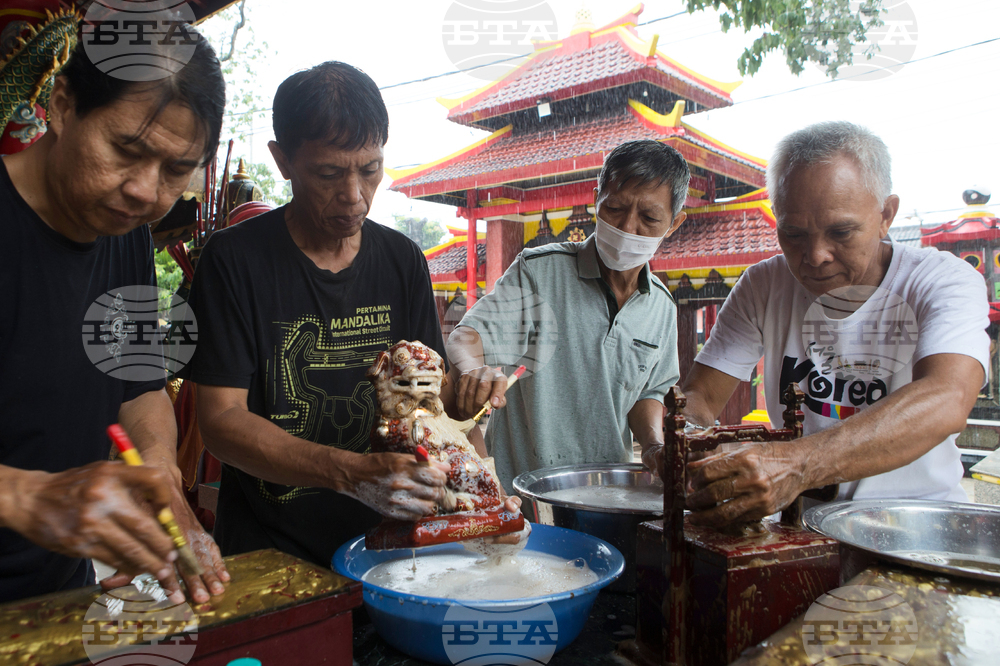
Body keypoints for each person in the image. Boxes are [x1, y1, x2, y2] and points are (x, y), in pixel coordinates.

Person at [184, 61, 513, 568]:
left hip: (393, 551)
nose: (354, 196)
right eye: (329, 173)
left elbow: (431, 406)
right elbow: (222, 421)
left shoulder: (402, 260)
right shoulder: (234, 261)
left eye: (370, 169)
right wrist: (351, 474)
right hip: (272, 552)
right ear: (283, 160)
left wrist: (484, 483)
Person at [0, 35, 228, 603]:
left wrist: (158, 470)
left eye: (176, 170)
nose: (145, 192)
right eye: (125, 150)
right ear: (62, 106)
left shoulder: (124, 234)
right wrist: (26, 496)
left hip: (55, 596)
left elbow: (138, 384)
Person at [677, 121, 989, 528]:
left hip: (918, 526)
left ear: (886, 215)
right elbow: (700, 396)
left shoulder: (942, 280)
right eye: (793, 234)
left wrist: (798, 464)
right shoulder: (763, 285)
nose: (816, 256)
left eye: (841, 232)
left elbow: (946, 397)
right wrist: (685, 438)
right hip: (800, 530)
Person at [447, 140, 689, 493]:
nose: (627, 227)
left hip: (609, 492)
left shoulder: (662, 307)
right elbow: (468, 335)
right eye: (615, 208)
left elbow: (646, 392)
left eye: (649, 218)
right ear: (597, 200)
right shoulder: (538, 272)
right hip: (521, 496)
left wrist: (653, 445)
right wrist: (472, 369)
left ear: (674, 223)